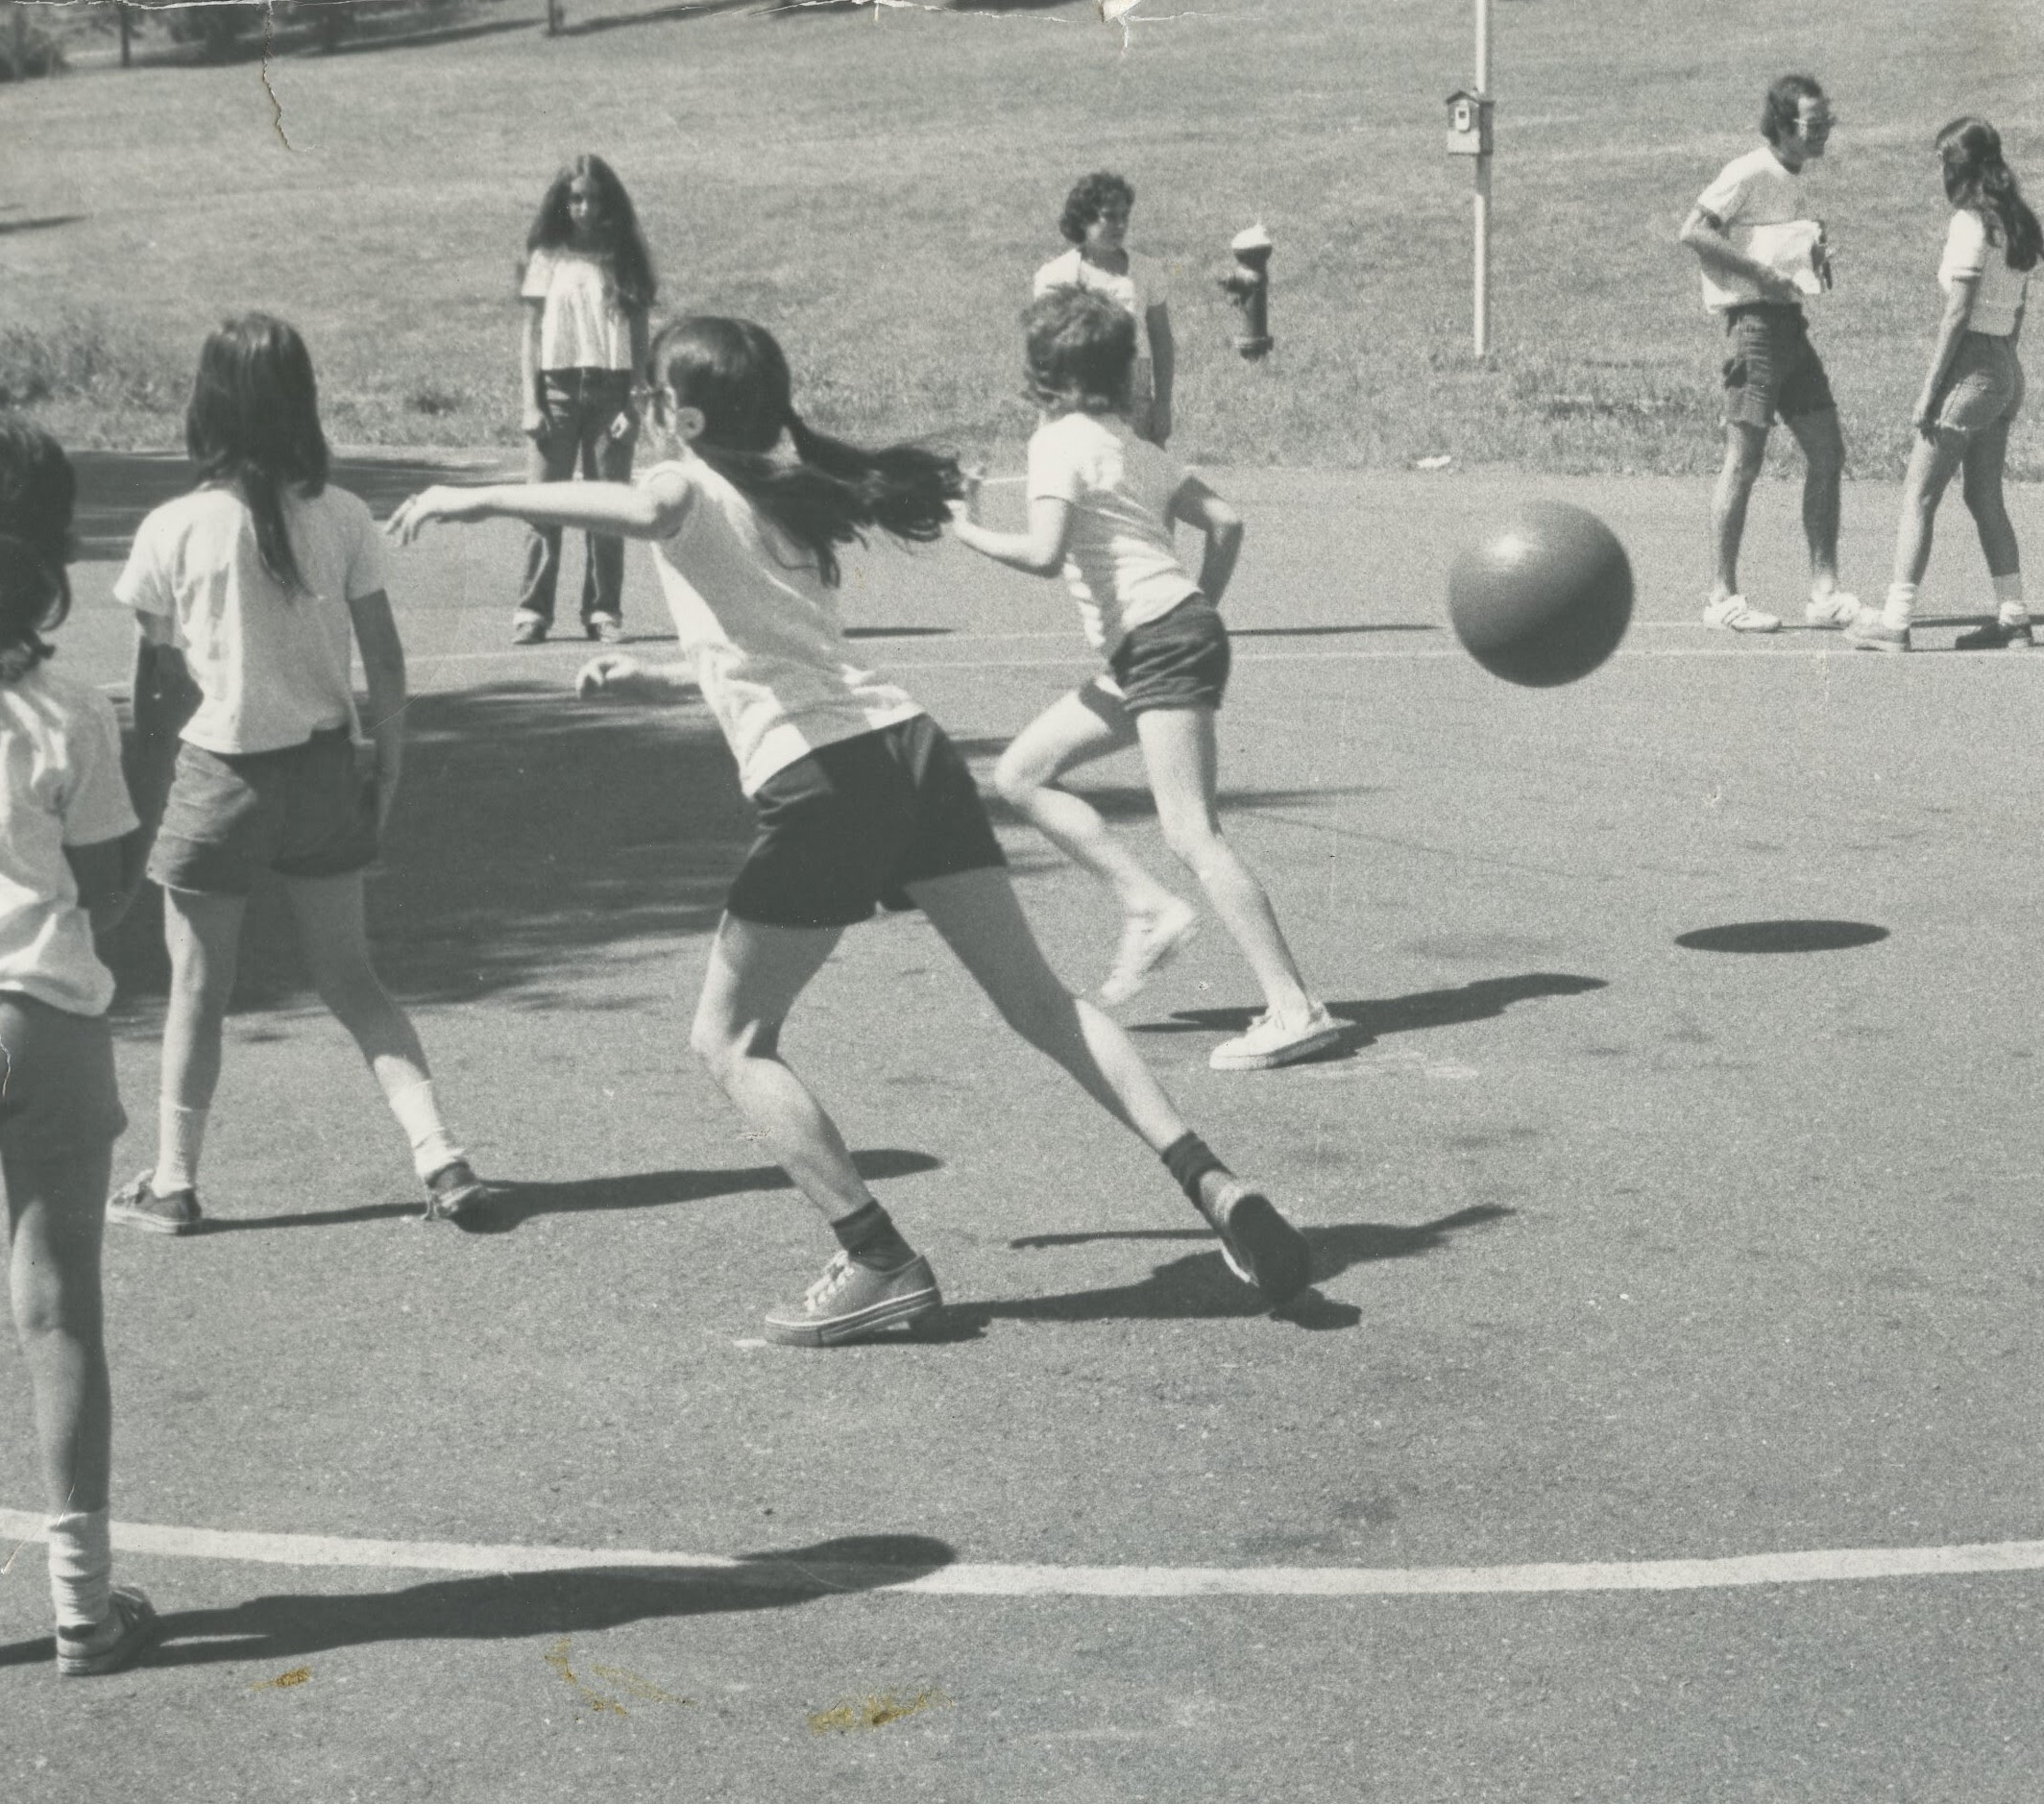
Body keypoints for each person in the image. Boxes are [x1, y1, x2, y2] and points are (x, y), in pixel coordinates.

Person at [385, 316, 1315, 1344]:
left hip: (827, 780)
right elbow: (775, 650)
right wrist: (657, 670)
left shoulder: (690, 487)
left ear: (683, 416)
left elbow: (645, 508)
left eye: (654, 397)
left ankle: (877, 1259)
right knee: (1045, 1005)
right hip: (908, 751)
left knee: (730, 1039)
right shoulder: (791, 501)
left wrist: (472, 496)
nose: (644, 413)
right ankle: (1216, 1185)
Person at [110, 314, 492, 1232]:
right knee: (353, 977)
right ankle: (440, 1155)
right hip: (323, 770)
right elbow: (388, 663)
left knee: (200, 988)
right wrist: (387, 765)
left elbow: (154, 690)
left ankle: (174, 1179)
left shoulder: (172, 527)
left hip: (219, 775)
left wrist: (141, 796)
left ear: (206, 405)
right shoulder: (344, 514)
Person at [951, 288, 1344, 1071]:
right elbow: (1226, 522)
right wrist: (1199, 608)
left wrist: (961, 526)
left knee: (1192, 832)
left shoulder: (1058, 443)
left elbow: (1042, 554)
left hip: (1159, 643)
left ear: (1043, 376)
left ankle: (1295, 1008)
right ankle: (1146, 903)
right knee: (1023, 774)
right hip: (1162, 641)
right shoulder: (1136, 447)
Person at [0, 415, 163, 1674]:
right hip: (41, 1016)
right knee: (60, 1317)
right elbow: (111, 884)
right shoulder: (69, 706)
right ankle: (84, 1609)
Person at [1848, 117, 2044, 654]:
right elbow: (2019, 306)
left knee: (1918, 495)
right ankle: (2014, 618)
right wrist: (2002, 369)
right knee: (1984, 496)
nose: (1939, 170)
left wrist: (1930, 390)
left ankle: (1895, 622)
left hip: (1973, 365)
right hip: (2005, 365)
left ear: (1959, 166)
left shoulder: (1969, 223)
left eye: (1943, 160)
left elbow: (1957, 315)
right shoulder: (2014, 221)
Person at [1678, 72, 1856, 635]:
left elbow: (1782, 247)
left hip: (1790, 328)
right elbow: (1694, 232)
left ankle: (1824, 592)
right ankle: (1722, 597)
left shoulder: (1796, 175)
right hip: (1752, 328)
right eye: (1815, 123)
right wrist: (1761, 274)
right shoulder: (1747, 172)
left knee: (1827, 453)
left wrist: (1811, 258)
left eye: (1829, 120)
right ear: (1783, 124)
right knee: (1745, 460)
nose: (1825, 130)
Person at [514, 153, 656, 646]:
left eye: (593, 198)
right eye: (575, 197)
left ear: (607, 201)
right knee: (544, 505)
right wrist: (530, 404)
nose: (584, 207)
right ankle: (532, 612)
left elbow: (639, 333)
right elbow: (530, 335)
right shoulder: (546, 257)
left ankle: (603, 611)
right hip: (555, 390)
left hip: (611, 389)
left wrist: (635, 399)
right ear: (562, 201)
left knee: (608, 507)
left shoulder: (624, 257)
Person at [1033, 171, 1174, 446]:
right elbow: (1044, 353)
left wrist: (1164, 404)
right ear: (1083, 218)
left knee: (1140, 477)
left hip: (1135, 396)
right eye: (1109, 216)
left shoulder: (1146, 270)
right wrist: (1048, 416)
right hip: (1076, 397)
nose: (1119, 225)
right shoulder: (1055, 275)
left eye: (1125, 216)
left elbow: (1162, 340)